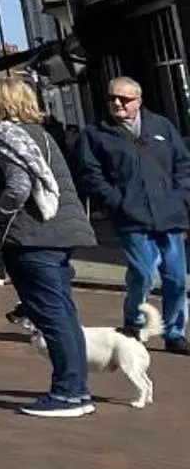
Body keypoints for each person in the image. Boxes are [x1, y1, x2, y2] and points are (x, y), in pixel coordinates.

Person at [0, 73, 99, 417]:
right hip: (58, 232)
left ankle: (69, 393)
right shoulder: (40, 134)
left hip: (32, 237)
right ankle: (76, 390)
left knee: (52, 315)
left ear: (1, 103)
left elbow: (17, 186)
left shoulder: (8, 136)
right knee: (63, 313)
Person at [73, 74, 190, 354]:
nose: (116, 103)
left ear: (138, 101)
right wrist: (116, 201)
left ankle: (174, 333)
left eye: (123, 99)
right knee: (143, 272)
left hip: (169, 215)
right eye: (111, 98)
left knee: (177, 277)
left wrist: (181, 197)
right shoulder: (95, 134)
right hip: (131, 217)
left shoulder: (161, 126)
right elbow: (90, 174)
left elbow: (183, 164)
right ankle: (134, 322)